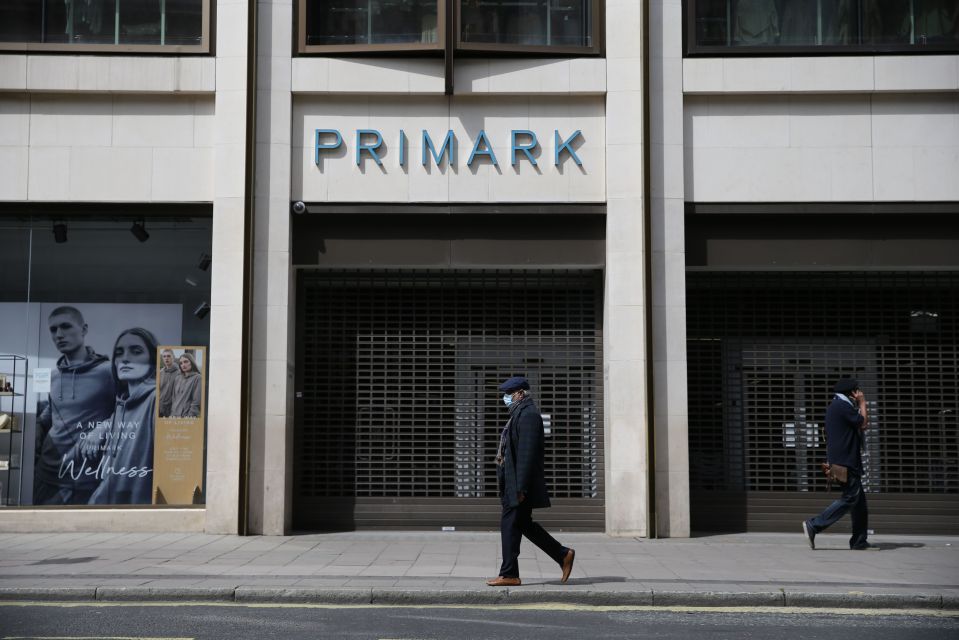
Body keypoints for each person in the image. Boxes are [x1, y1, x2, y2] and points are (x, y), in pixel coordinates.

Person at [487, 376, 575, 587]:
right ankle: (562, 554)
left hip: (517, 484)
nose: (505, 398)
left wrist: (520, 488)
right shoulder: (519, 414)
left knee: (509, 525)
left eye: (508, 394)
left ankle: (509, 574)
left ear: (519, 394)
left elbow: (527, 455)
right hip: (513, 481)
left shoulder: (528, 416)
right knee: (523, 524)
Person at [34, 306, 115, 505]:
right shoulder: (53, 376)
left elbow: (127, 411)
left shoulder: (107, 371)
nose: (59, 334)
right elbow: (52, 411)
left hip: (85, 475)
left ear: (84, 330)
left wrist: (101, 429)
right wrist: (37, 425)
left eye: (66, 326)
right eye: (53, 330)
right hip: (47, 471)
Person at [87, 328, 159, 505]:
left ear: (153, 358)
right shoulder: (122, 403)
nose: (125, 358)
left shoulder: (158, 399)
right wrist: (102, 427)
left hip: (137, 507)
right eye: (119, 353)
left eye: (136, 351)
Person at [802, 377, 876, 551]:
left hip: (846, 461)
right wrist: (863, 402)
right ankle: (814, 524)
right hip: (846, 462)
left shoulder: (838, 406)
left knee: (860, 505)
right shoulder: (842, 406)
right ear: (851, 392)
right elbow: (864, 423)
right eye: (856, 391)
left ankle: (859, 541)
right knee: (850, 498)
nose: (858, 393)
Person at [171, 352, 202, 418]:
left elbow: (196, 402)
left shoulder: (198, 378)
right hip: (174, 416)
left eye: (186, 362)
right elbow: (174, 398)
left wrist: (189, 417)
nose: (183, 365)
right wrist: (172, 414)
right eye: (181, 363)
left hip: (187, 417)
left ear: (192, 362)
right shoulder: (177, 378)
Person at [157, 349, 178, 418]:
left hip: (172, 409)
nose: (166, 358)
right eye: (164, 356)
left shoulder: (179, 373)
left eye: (169, 356)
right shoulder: (160, 372)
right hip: (159, 407)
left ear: (173, 357)